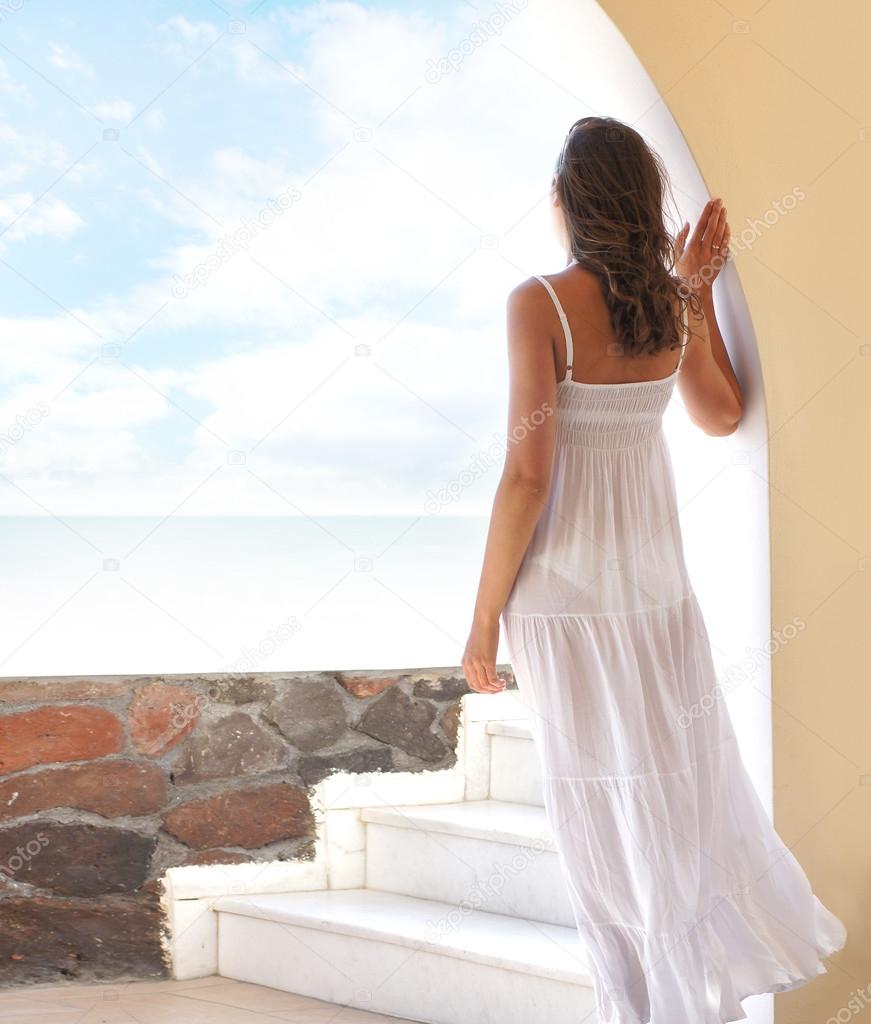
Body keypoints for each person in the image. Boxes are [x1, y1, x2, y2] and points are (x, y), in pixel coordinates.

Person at [462, 116, 846, 1024]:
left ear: (567, 204)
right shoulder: (666, 305)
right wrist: (696, 294)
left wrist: (481, 620)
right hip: (656, 598)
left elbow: (526, 475)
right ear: (641, 205)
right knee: (675, 796)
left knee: (599, 813)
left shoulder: (539, 304)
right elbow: (721, 414)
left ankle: (640, 1008)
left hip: (561, 602)